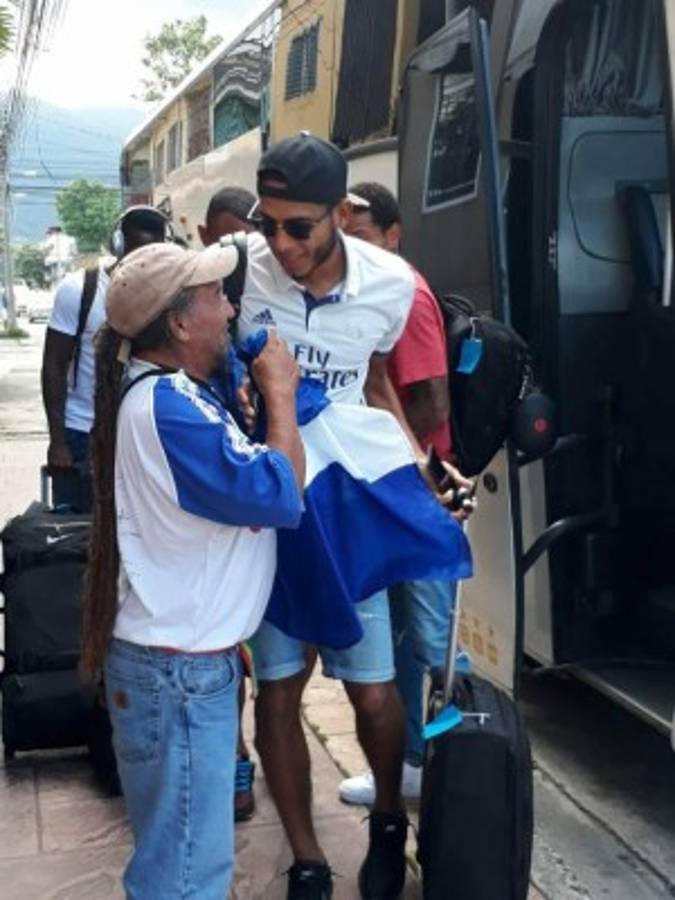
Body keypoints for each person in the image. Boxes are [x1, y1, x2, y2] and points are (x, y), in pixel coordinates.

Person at [80, 240, 305, 900]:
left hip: (174, 667)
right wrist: (281, 396)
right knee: (184, 875)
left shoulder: (173, 395)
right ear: (179, 323)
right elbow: (281, 494)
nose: (230, 308)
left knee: (179, 861)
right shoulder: (171, 408)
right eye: (215, 297)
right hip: (177, 676)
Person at [237, 132, 426, 900]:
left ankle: (387, 821)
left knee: (373, 690)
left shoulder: (391, 285)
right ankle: (308, 858)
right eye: (267, 224)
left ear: (342, 215)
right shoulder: (238, 270)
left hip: (346, 507)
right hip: (271, 506)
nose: (279, 244)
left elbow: (375, 379)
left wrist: (415, 463)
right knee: (278, 689)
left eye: (298, 227)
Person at [339, 181, 455, 805]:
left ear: (392, 235)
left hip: (417, 493)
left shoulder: (402, 290)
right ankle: (414, 760)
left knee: (435, 638)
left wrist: (390, 460)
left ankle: (464, 761)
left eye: (360, 235)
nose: (349, 247)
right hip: (392, 491)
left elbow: (432, 401)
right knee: (409, 636)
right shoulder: (368, 289)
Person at [41, 206, 170, 512]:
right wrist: (58, 441)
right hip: (81, 432)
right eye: (134, 253)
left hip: (138, 433)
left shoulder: (167, 295)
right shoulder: (79, 290)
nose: (140, 264)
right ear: (118, 245)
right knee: (78, 530)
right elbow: (54, 365)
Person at [199, 183, 257, 823]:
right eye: (225, 236)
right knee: (229, 648)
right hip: (224, 495)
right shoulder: (200, 299)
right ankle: (236, 760)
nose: (236, 247)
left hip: (259, 495)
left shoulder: (259, 294)